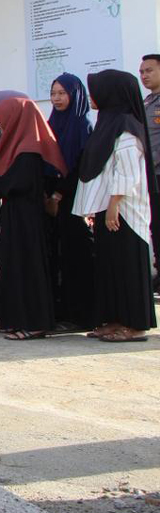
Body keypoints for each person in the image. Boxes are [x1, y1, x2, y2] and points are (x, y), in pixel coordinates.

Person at [73, 69, 157, 342]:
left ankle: (135, 325)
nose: (92, 96)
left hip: (125, 211)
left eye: (96, 90)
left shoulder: (126, 127)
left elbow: (128, 173)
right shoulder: (108, 123)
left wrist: (113, 204)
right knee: (112, 267)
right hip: (108, 208)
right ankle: (116, 319)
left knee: (128, 266)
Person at [0, 97, 67, 341]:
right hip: (17, 216)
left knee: (28, 267)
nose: (0, 124)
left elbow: (18, 183)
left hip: (26, 219)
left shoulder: (29, 148)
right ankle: (17, 320)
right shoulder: (22, 145)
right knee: (16, 266)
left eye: (2, 119)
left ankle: (35, 323)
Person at [46, 73, 95, 328]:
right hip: (52, 201)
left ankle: (82, 315)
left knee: (77, 256)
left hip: (73, 200)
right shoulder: (51, 124)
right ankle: (62, 311)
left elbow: (79, 167)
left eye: (62, 93)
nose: (56, 98)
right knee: (58, 256)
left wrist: (58, 194)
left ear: (75, 95)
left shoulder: (82, 125)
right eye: (53, 93)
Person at [138, 53, 160, 291]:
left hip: (157, 173)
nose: (144, 75)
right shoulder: (147, 102)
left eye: (149, 70)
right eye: (142, 72)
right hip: (150, 178)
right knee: (155, 227)